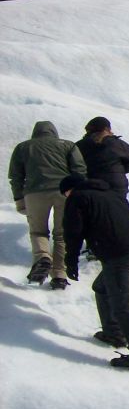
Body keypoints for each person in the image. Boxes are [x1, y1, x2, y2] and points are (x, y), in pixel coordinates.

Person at [60, 174, 129, 369]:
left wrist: (70, 261)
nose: (66, 197)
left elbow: (73, 231)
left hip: (119, 252)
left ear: (69, 190)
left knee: (122, 303)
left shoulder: (78, 197)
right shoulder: (110, 194)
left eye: (65, 194)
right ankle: (113, 332)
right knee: (102, 287)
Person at [7, 121, 87, 288]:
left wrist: (19, 199)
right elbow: (79, 169)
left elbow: (15, 176)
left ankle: (43, 257)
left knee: (37, 231)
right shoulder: (68, 145)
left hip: (34, 193)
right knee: (62, 233)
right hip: (64, 192)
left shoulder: (23, 147)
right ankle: (59, 274)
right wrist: (77, 192)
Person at [75, 116, 129, 200]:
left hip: (90, 185)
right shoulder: (119, 144)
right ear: (107, 129)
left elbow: (74, 164)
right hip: (117, 186)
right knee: (116, 210)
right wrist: (118, 170)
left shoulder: (80, 145)